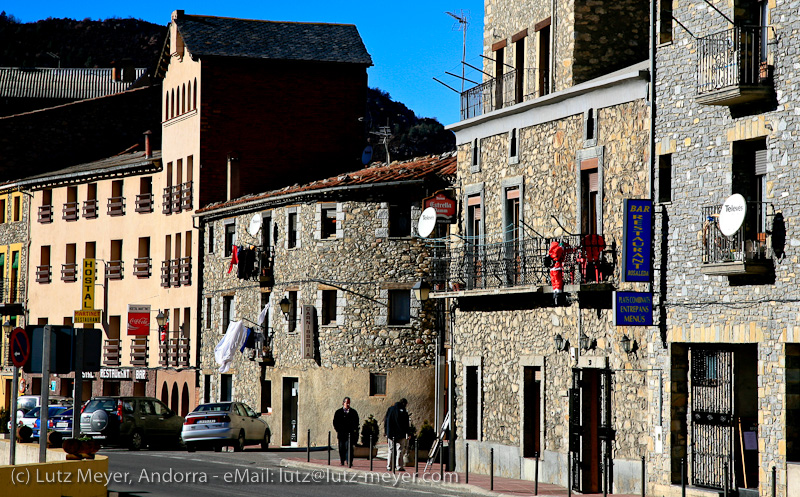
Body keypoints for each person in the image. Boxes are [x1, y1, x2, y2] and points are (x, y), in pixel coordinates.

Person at [384, 398, 410, 471]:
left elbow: (386, 420)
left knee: (390, 449)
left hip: (390, 433)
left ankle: (389, 466)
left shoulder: (390, 409)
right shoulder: (403, 411)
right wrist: (407, 433)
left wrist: (386, 431)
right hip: (400, 433)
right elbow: (406, 423)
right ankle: (399, 466)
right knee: (400, 449)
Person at [332, 397, 359, 466]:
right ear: (343, 403)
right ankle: (342, 460)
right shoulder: (338, 412)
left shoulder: (353, 412)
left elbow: (356, 422)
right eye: (346, 402)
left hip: (350, 434)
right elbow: (335, 422)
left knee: (349, 448)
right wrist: (338, 429)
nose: (348, 404)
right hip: (341, 434)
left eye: (349, 403)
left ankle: (349, 461)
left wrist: (354, 430)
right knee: (341, 448)